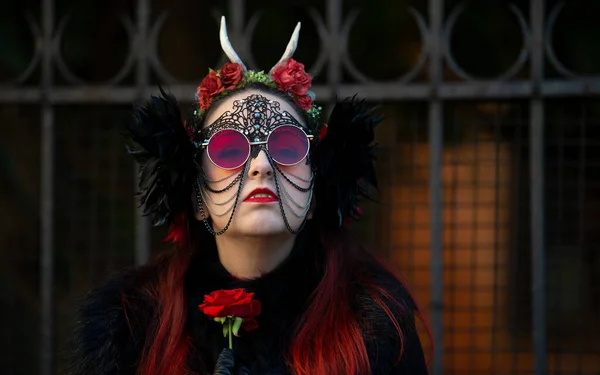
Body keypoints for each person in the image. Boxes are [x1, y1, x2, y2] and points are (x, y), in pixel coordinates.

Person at [66, 16, 430, 375]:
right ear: (196, 198)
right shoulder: (132, 326)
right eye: (228, 150)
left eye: (286, 147)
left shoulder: (374, 324)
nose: (261, 165)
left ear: (316, 193)